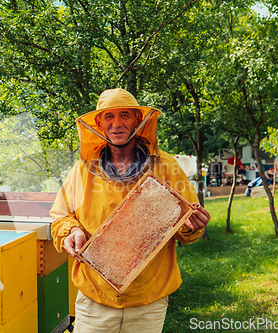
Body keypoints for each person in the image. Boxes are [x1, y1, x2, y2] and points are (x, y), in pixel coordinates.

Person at [50, 88, 210, 333]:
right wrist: (71, 231)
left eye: (124, 115)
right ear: (99, 124)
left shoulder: (166, 168)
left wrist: (194, 227)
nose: (117, 124)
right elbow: (61, 216)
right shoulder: (83, 171)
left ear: (137, 119)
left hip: (148, 302)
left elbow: (185, 230)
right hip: (95, 300)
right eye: (109, 117)